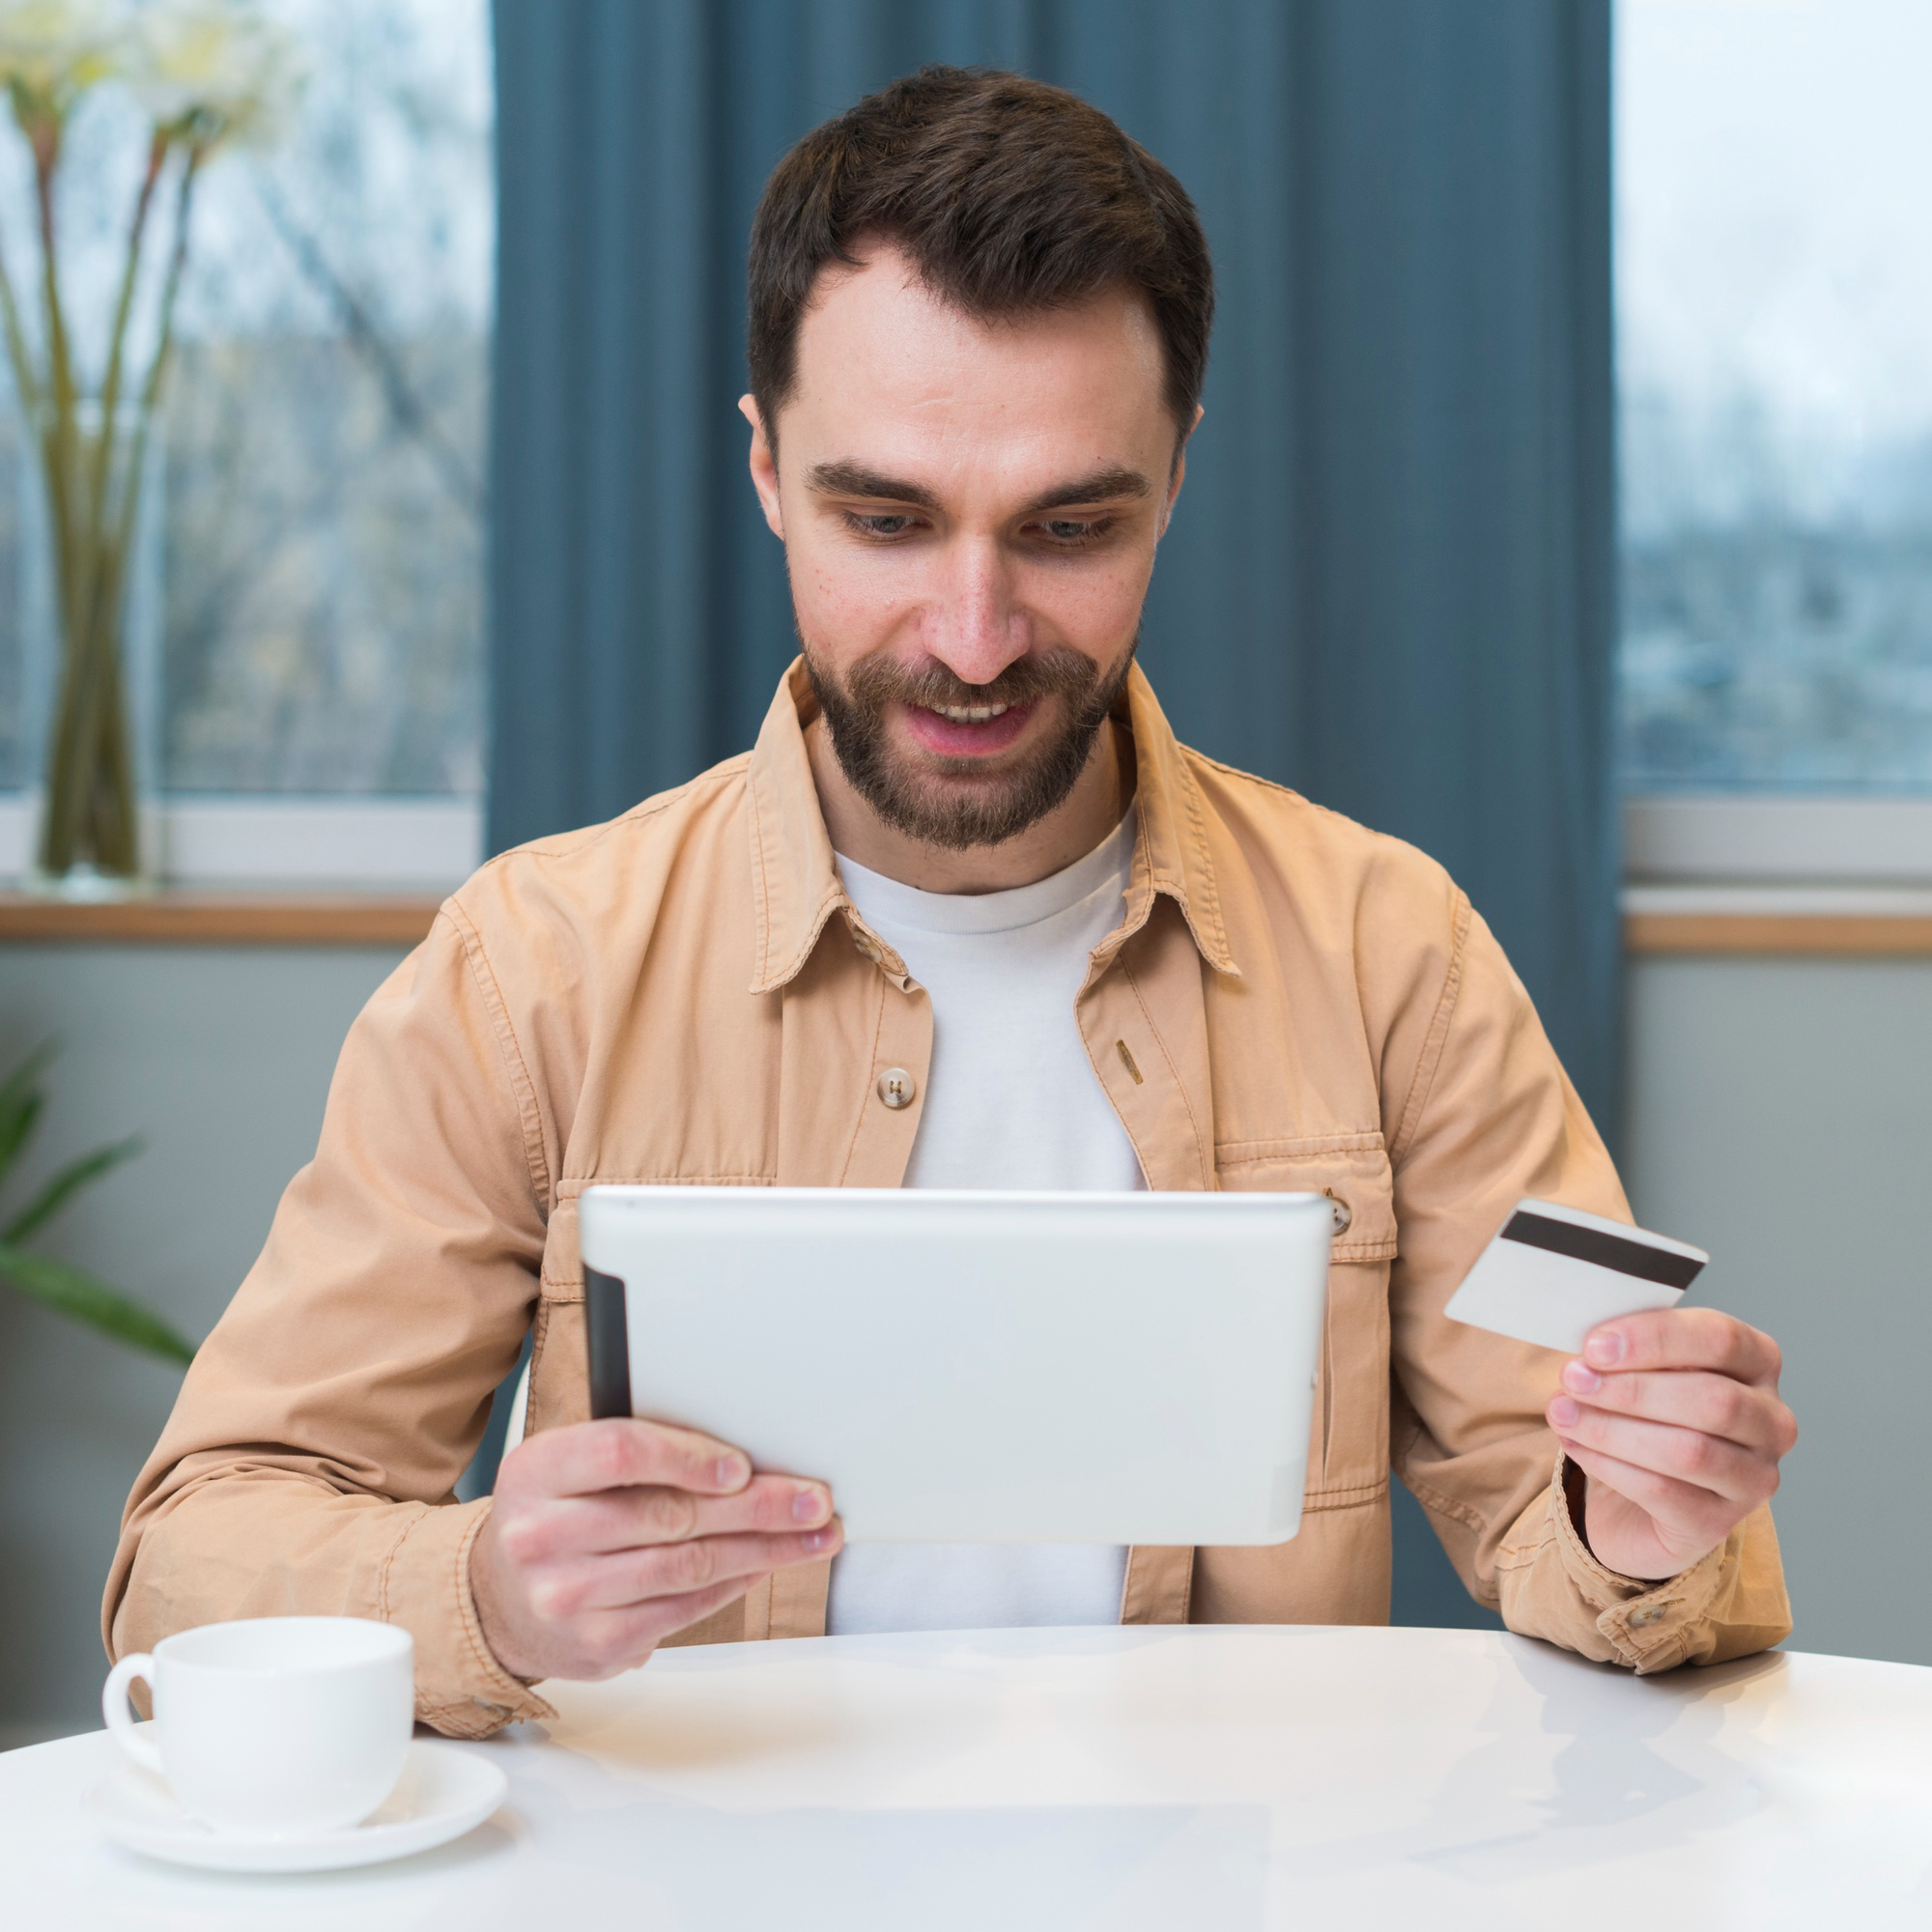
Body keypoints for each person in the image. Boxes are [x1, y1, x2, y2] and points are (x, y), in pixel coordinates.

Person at [106, 68, 1794, 1739]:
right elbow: (190, 1561)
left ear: (1178, 476)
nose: (974, 636)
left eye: (1067, 526)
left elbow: (1596, 1536)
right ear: (766, 468)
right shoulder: (529, 974)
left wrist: (1635, 1527)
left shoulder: (1390, 953)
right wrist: (484, 1590)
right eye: (887, 518)